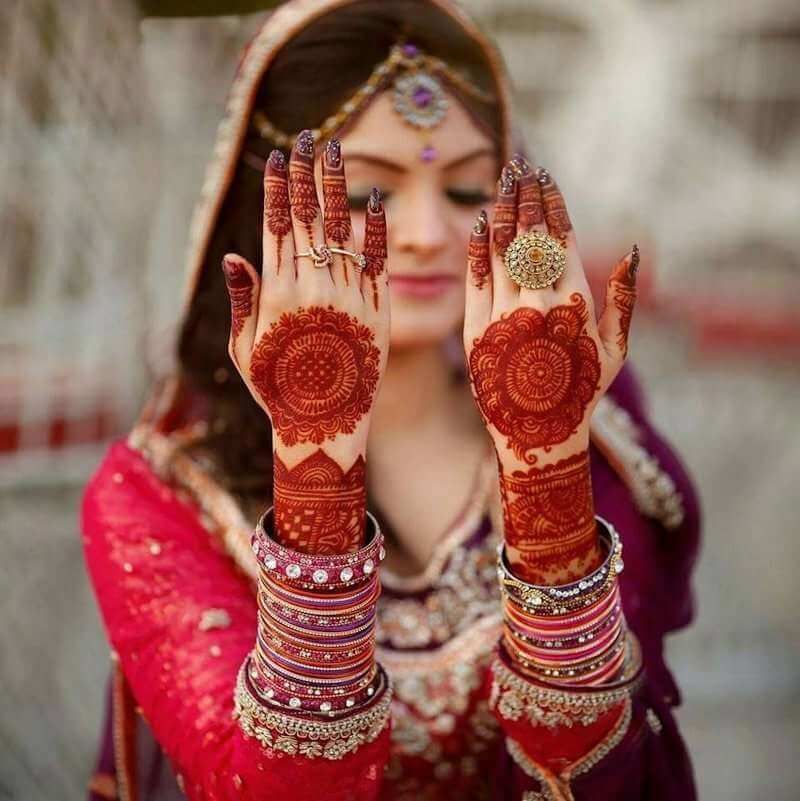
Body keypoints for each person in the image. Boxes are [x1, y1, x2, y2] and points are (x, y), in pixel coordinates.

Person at [82, 1, 700, 799]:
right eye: (368, 192)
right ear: (264, 214)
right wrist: (315, 474)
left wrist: (547, 475)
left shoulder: (590, 435)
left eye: (469, 189)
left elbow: (621, 780)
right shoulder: (160, 496)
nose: (423, 232)